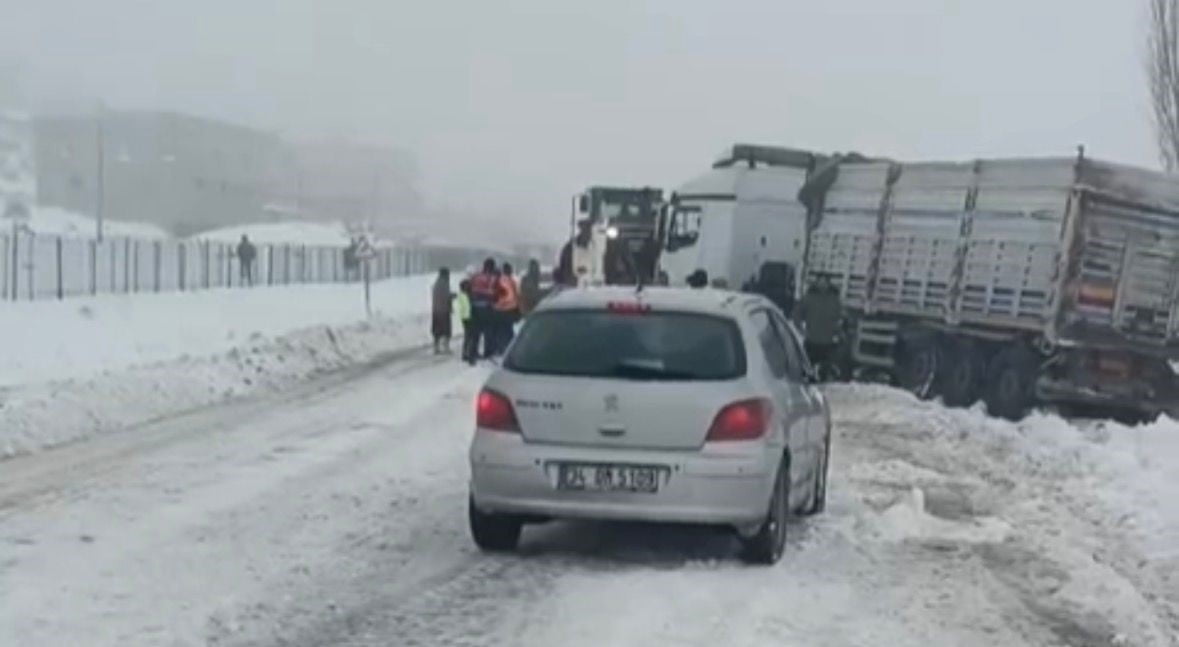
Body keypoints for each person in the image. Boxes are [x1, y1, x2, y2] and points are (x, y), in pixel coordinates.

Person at [796, 273, 843, 366]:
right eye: (820, 281)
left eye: (825, 282)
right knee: (808, 368)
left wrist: (839, 333)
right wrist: (801, 329)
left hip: (828, 343)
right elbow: (797, 315)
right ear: (816, 283)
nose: (822, 284)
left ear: (829, 283)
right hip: (811, 342)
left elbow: (839, 318)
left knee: (826, 370)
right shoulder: (809, 298)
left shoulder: (835, 299)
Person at [469, 258, 499, 359]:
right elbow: (493, 292)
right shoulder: (491, 278)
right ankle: (488, 352)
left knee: (476, 332)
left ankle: (473, 352)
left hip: (474, 307)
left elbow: (470, 289)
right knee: (488, 331)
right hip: (486, 307)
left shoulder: (476, 276)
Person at [493, 262, 520, 356]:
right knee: (507, 331)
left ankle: (502, 349)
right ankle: (508, 349)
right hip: (508, 309)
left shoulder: (501, 279)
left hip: (499, 309)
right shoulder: (509, 280)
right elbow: (512, 295)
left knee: (502, 331)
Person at [431, 268, 454, 354]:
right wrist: (453, 296)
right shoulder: (445, 283)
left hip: (435, 310)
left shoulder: (436, 283)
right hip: (444, 310)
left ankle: (436, 347)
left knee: (437, 330)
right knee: (446, 330)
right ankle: (446, 347)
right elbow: (446, 296)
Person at [456, 279, 475, 364]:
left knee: (468, 336)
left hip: (465, 317)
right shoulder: (466, 295)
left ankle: (465, 353)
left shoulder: (462, 295)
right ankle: (468, 353)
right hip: (468, 317)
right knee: (470, 336)